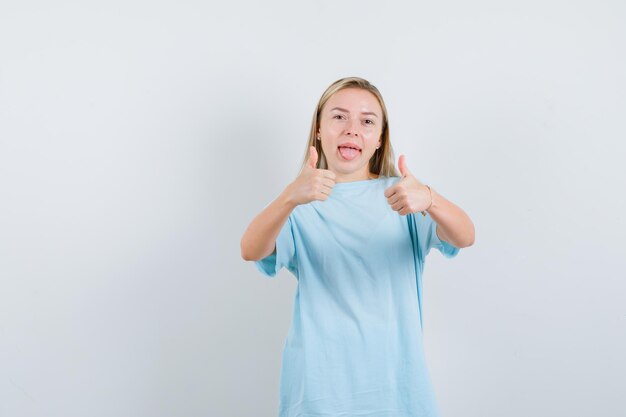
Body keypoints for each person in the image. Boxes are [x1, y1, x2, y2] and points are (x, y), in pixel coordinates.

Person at [240, 77, 475, 417]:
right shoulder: (300, 203)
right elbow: (251, 249)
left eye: (367, 121)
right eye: (339, 117)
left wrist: (430, 198)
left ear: (379, 139)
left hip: (397, 392)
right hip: (319, 393)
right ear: (319, 129)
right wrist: (290, 196)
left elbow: (465, 236)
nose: (352, 129)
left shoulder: (403, 195)